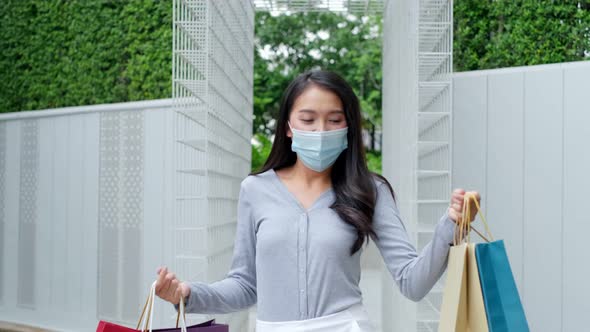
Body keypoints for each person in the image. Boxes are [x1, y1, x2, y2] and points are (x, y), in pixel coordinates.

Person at [154, 70, 480, 331]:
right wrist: (188, 294)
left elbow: (412, 283)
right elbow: (245, 285)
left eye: (334, 120)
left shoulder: (370, 189)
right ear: (288, 129)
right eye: (308, 120)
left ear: (348, 127)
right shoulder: (255, 190)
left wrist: (450, 226)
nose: (322, 130)